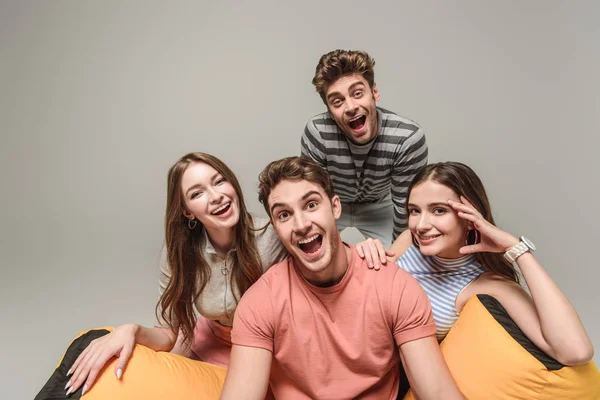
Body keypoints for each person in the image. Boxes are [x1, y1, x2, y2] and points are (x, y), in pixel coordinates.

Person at [63, 152, 388, 396]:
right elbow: (170, 333)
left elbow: (323, 245)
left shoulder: (273, 234)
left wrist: (365, 246)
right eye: (198, 192)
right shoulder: (179, 253)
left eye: (220, 181)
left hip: (272, 352)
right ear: (188, 211)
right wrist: (131, 330)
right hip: (211, 348)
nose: (216, 195)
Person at [220, 156, 464, 400]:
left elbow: (438, 393)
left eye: (311, 205)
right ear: (275, 227)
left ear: (336, 207)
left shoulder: (395, 286)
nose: (302, 224)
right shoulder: (260, 303)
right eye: (284, 215)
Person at [390, 161, 594, 364]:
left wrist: (517, 249)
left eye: (439, 210)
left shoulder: (486, 283)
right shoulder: (408, 240)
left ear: (470, 218)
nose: (421, 225)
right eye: (415, 211)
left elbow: (575, 352)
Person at [301, 49, 428, 248]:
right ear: (329, 110)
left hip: (379, 206)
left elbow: (406, 209)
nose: (350, 107)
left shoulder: (406, 138)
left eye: (357, 93)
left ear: (374, 92)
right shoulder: (318, 132)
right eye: (337, 101)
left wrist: (396, 260)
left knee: (406, 259)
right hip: (333, 203)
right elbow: (312, 199)